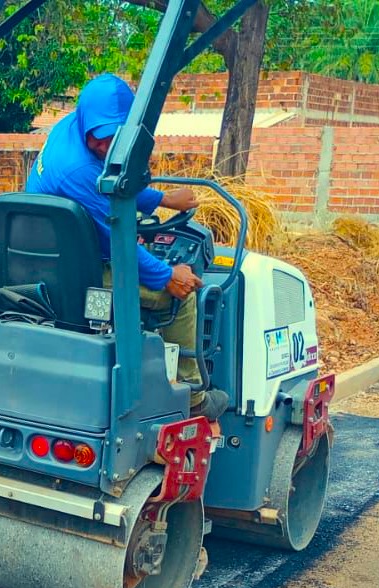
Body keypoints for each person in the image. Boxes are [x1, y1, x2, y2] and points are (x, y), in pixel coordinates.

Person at [25, 74, 231, 421]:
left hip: (52, 258)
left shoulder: (69, 128)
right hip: (76, 275)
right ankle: (194, 398)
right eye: (101, 138)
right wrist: (168, 275)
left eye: (114, 138)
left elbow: (113, 187)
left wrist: (162, 199)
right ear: (89, 125)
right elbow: (116, 238)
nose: (105, 146)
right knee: (181, 296)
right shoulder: (77, 169)